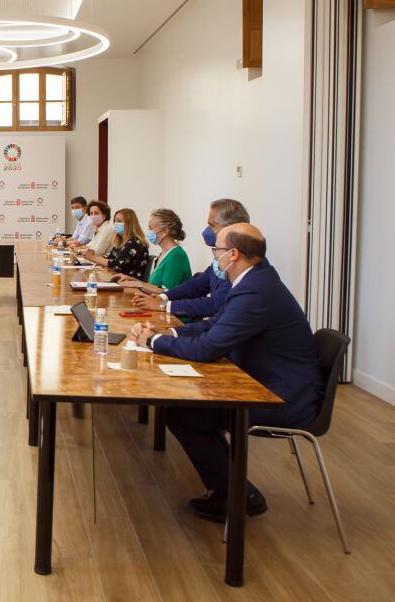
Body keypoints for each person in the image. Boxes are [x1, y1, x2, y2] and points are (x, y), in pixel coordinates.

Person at [130, 224, 323, 522]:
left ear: (232, 254)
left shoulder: (255, 290)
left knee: (185, 414)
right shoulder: (254, 281)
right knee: (188, 410)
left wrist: (153, 342)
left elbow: (208, 348)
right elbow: (213, 325)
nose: (214, 256)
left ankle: (236, 495)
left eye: (216, 250)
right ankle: (232, 488)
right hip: (268, 381)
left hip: (282, 397)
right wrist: (167, 332)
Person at [131, 198, 250, 317]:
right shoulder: (221, 259)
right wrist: (162, 298)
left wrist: (163, 305)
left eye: (211, 226)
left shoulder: (239, 264)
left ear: (230, 227)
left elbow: (215, 304)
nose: (206, 231)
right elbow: (196, 285)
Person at [111, 208, 191, 294]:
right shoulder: (164, 253)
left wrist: (138, 284)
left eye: (151, 227)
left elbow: (166, 292)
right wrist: (131, 280)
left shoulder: (176, 256)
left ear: (165, 231)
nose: (148, 231)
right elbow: (154, 285)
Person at [80, 208, 149, 278]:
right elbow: (108, 257)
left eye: (119, 221)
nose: (116, 224)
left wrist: (93, 257)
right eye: (115, 221)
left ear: (129, 223)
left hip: (129, 282)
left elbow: (116, 264)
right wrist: (93, 257)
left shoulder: (134, 242)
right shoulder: (121, 242)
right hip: (118, 279)